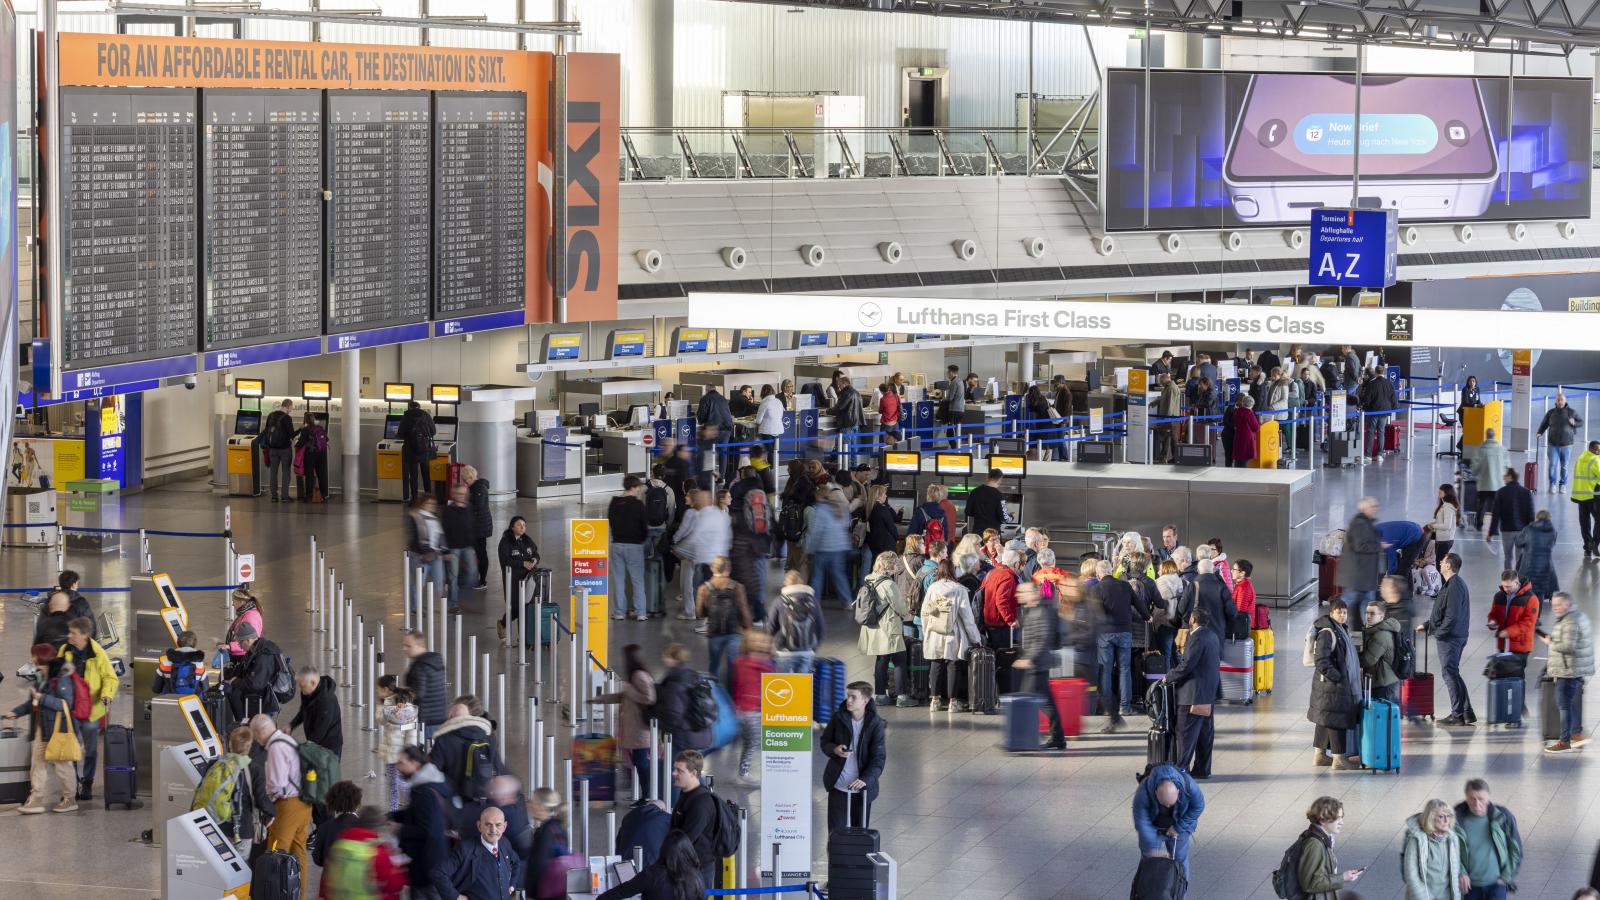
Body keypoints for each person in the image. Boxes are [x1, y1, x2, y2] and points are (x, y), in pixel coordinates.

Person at [3, 645, 80, 814]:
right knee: (37, 764)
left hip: (58, 730)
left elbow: (65, 704)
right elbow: (33, 702)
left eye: (35, 659)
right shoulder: (40, 676)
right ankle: (36, 799)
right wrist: (16, 712)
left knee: (62, 765)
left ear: (44, 660)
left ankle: (70, 799)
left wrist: (42, 698)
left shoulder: (62, 678)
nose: (33, 662)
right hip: (42, 728)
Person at [589, 644, 658, 799]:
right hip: (634, 728)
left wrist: (629, 689)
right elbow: (625, 696)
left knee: (641, 763)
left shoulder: (639, 676)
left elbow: (650, 698)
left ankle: (647, 796)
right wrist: (601, 699)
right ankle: (641, 793)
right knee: (636, 762)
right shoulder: (636, 675)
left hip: (639, 729)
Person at [255, 714, 314, 898]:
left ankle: (275, 895)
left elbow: (277, 783)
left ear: (260, 731)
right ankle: (298, 895)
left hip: (287, 806)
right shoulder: (286, 739)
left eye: (255, 734)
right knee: (298, 854)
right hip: (304, 803)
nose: (256, 739)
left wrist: (267, 801)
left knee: (275, 855)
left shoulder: (275, 747)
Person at [57, 617, 115, 800]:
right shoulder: (64, 650)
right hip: (70, 708)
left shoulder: (98, 653)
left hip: (91, 710)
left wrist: (107, 694)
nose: (69, 636)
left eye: (73, 633)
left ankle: (87, 783)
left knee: (90, 750)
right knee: (70, 749)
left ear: (84, 635)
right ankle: (71, 786)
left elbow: (110, 678)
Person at [391, 744, 457, 899]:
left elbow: (428, 830)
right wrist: (395, 815)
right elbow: (421, 814)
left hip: (427, 865)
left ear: (415, 764)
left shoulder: (424, 792)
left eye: (402, 763)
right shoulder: (432, 782)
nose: (398, 767)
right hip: (435, 860)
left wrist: (399, 830)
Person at [820, 681, 886, 832]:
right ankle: (835, 857)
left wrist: (865, 780)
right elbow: (825, 742)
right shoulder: (838, 718)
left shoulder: (875, 724)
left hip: (862, 790)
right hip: (838, 785)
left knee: (859, 836)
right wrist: (834, 749)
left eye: (853, 697)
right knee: (835, 835)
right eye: (847, 696)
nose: (848, 700)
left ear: (865, 700)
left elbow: (878, 759)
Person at [922, 556, 983, 714]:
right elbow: (967, 618)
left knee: (936, 665)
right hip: (953, 633)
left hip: (935, 632)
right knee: (953, 666)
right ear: (953, 571)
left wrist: (927, 631)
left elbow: (925, 612)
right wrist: (976, 639)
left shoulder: (932, 588)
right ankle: (952, 703)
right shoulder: (960, 590)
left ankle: (934, 701)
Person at [1420, 553, 1475, 727]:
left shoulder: (1454, 586)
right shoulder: (1451, 585)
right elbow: (1442, 612)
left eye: (1443, 561)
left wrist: (1439, 632)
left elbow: (1451, 617)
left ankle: (1457, 714)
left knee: (1449, 673)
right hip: (1451, 635)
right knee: (1453, 672)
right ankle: (1466, 712)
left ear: (1449, 566)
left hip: (1451, 638)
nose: (1440, 563)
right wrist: (1428, 625)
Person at [1093, 560, 1147, 732]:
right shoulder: (1124, 586)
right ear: (1112, 571)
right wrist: (1147, 617)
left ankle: (1108, 708)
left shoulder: (1097, 589)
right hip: (1125, 632)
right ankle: (1125, 706)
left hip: (1105, 634)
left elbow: (1095, 612)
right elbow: (1139, 604)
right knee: (1125, 669)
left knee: (1106, 669)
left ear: (1099, 574)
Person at [1308, 602, 1363, 770]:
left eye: (1345, 612)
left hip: (1329, 686)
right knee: (1337, 719)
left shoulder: (1340, 629)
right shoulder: (1328, 633)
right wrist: (1338, 677)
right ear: (1331, 613)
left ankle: (1319, 755)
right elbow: (1321, 660)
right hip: (1332, 686)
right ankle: (1339, 758)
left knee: (1325, 719)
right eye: (1339, 612)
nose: (1343, 615)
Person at [1167, 607, 1220, 779]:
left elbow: (1187, 665)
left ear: (1192, 620)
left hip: (1193, 695)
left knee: (1185, 733)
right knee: (1205, 735)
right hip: (1208, 694)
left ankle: (1181, 770)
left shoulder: (1196, 637)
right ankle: (1203, 769)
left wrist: (1169, 677)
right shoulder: (1212, 635)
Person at [1133, 764, 1204, 890]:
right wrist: (1151, 849)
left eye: (1170, 804)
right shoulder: (1143, 791)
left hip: (1179, 825)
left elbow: (1198, 806)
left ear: (1178, 791)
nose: (1167, 806)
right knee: (1149, 861)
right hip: (1154, 827)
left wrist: (1178, 827)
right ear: (1155, 792)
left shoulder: (1189, 786)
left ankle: (1179, 893)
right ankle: (1147, 894)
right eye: (1164, 803)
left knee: (1179, 862)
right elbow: (1142, 822)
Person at [192, 726, 260, 855]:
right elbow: (261, 799)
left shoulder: (214, 763)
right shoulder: (253, 768)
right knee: (240, 868)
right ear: (249, 746)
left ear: (230, 744)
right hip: (240, 830)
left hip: (214, 824)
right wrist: (271, 813)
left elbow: (201, 790)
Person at [1014, 582, 1066, 749]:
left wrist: (1029, 658)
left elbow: (1042, 638)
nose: (1018, 595)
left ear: (1034, 593)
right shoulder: (1032, 610)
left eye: (1022, 592)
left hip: (1038, 663)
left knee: (1029, 702)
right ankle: (1056, 737)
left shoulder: (1042, 611)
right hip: (1037, 663)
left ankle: (1022, 738)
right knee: (1044, 702)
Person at [1541, 591, 1594, 752]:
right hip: (1574, 668)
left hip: (1568, 670)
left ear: (1568, 604)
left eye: (1559, 605)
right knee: (1569, 703)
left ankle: (1565, 741)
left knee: (1563, 704)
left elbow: (1568, 647)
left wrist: (1550, 642)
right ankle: (1577, 734)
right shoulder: (1575, 616)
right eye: (1554, 605)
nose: (1555, 608)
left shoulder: (1570, 621)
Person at [857, 552, 912, 707]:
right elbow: (900, 607)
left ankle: (880, 695)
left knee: (881, 660)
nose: (897, 567)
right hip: (889, 627)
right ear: (890, 565)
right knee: (900, 660)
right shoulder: (888, 584)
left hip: (874, 627)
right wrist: (906, 609)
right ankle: (902, 697)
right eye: (895, 564)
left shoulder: (869, 580)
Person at [1453, 779, 1523, 900]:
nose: (1477, 803)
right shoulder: (1455, 820)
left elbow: (1515, 849)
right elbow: (1451, 851)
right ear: (1466, 798)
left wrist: (1506, 876)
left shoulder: (1502, 817)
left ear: (1488, 798)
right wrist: (1461, 872)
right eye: (1472, 799)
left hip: (1497, 884)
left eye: (1481, 799)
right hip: (1470, 886)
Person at [322, 806, 408, 900]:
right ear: (377, 828)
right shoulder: (377, 852)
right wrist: (399, 866)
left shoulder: (339, 846)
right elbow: (394, 885)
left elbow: (326, 883)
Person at [667, 750, 725, 888]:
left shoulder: (701, 803)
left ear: (693, 773)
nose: (674, 773)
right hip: (687, 865)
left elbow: (686, 839)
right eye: (674, 769)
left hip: (697, 870)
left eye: (679, 770)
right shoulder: (686, 794)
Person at [598, 829, 706, 900]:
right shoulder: (697, 876)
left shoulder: (652, 874)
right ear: (689, 851)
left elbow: (620, 892)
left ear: (664, 850)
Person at [442, 805, 522, 900]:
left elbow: (516, 863)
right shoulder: (465, 849)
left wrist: (511, 886)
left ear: (504, 827)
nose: (493, 830)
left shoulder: (504, 843)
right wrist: (456, 897)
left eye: (498, 825)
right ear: (479, 826)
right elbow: (439, 873)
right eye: (488, 824)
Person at [1293, 796, 1365, 899]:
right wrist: (1343, 877)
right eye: (1337, 818)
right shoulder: (1314, 844)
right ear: (1323, 819)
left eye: (1342, 817)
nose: (1342, 822)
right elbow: (1310, 883)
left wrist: (1344, 877)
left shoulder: (1325, 839)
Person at [697, 556, 753, 684]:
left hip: (714, 632)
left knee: (714, 665)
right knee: (733, 665)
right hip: (734, 631)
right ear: (729, 569)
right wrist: (749, 630)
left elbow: (699, 613)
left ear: (712, 568)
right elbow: (744, 610)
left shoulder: (704, 588)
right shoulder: (738, 587)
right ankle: (730, 693)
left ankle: (712, 692)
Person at [431, 700, 501, 802]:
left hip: (454, 798)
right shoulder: (487, 736)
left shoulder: (444, 740)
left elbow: (434, 770)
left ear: (451, 718)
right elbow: (496, 766)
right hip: (483, 796)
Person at [731, 629, 774, 779]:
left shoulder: (769, 663)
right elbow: (735, 684)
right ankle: (744, 771)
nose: (760, 643)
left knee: (752, 741)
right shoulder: (741, 662)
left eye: (763, 641)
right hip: (747, 709)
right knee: (753, 740)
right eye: (756, 640)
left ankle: (744, 770)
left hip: (761, 708)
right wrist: (736, 704)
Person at [1488, 569, 1540, 693]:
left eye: (1509, 586)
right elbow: (1493, 614)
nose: (1506, 589)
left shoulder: (1531, 599)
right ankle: (1506, 704)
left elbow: (1528, 623)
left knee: (1516, 677)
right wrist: (1492, 622)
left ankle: (1519, 704)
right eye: (1504, 586)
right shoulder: (1499, 596)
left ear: (1517, 583)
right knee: (1502, 677)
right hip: (1503, 645)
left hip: (1520, 647)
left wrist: (1508, 632)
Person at [655, 644, 713, 755]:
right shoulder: (694, 675)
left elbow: (673, 713)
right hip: (699, 732)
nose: (663, 659)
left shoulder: (675, 682)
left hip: (683, 737)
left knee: (677, 768)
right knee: (691, 767)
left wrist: (663, 734)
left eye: (666, 656)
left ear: (675, 659)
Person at [1402, 799, 1464, 900]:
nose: (1446, 820)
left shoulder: (1453, 839)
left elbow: (1454, 872)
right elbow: (1411, 876)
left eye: (1448, 816)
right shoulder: (1416, 840)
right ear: (1430, 818)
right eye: (1441, 816)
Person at [805, 482, 854, 608]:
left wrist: (810, 550)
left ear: (819, 495)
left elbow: (817, 532)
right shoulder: (839, 507)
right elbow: (845, 526)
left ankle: (814, 602)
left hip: (824, 548)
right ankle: (847, 601)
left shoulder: (820, 509)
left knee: (817, 575)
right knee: (839, 575)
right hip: (840, 547)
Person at [980, 548, 1023, 693]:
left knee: (993, 661)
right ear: (1016, 564)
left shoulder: (992, 573)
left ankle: (991, 690)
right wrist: (1010, 620)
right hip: (1000, 625)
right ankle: (1002, 691)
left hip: (988, 623)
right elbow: (1001, 601)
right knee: (1002, 661)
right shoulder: (1008, 577)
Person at [767, 571, 823, 675]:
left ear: (786, 583)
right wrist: (813, 648)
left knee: (784, 685)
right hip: (807, 651)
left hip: (784, 651)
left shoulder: (779, 601)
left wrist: (772, 646)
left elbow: (771, 627)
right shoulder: (812, 601)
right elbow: (820, 627)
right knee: (802, 687)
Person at [610, 475, 650, 621]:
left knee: (619, 580)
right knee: (637, 580)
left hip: (616, 544)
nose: (639, 490)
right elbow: (644, 526)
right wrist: (642, 539)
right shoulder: (638, 505)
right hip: (634, 545)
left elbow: (611, 522)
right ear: (634, 487)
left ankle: (619, 612)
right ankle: (640, 613)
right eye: (638, 487)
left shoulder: (614, 502)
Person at [377, 678, 418, 810]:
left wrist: (409, 751)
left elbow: (411, 731)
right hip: (390, 752)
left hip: (401, 753)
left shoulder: (409, 708)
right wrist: (391, 715)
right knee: (393, 783)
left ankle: (413, 805)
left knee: (401, 783)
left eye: (378, 689)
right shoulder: (387, 703)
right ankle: (393, 810)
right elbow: (381, 721)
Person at [497, 516, 542, 637]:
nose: (522, 527)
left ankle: (525, 636)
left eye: (524, 525)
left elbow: (536, 553)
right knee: (516, 607)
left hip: (529, 579)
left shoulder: (527, 540)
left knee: (528, 605)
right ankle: (503, 623)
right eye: (519, 525)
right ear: (512, 527)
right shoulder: (505, 542)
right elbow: (505, 560)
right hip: (513, 580)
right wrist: (522, 563)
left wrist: (534, 560)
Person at [1341, 497, 1384, 619]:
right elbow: (1360, 546)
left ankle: (1369, 630)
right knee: (1347, 602)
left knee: (1368, 605)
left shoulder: (1366, 523)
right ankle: (1332, 624)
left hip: (1365, 575)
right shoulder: (1359, 524)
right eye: (1373, 506)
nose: (1376, 509)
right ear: (1364, 508)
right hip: (1358, 575)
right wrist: (1378, 545)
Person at [403, 629, 448, 742]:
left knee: (422, 754)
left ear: (419, 645)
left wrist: (400, 694)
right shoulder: (435, 661)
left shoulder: (419, 666)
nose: (404, 649)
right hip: (439, 717)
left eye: (408, 646)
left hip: (425, 720)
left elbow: (418, 693)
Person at [1485, 468, 1535, 569]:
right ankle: (1520, 580)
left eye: (1505, 475)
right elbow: (1531, 514)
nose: (1503, 477)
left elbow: (1496, 514)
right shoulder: (1526, 492)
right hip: (1522, 531)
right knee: (1520, 557)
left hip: (1507, 530)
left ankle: (1508, 579)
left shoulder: (1501, 492)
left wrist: (1491, 533)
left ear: (1510, 477)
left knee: (1508, 557)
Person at [525, 788, 570, 899]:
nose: (529, 806)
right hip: (558, 890)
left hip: (545, 893)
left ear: (541, 806)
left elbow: (538, 865)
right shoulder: (558, 827)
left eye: (532, 802)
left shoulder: (545, 831)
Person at [289, 664, 343, 757]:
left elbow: (320, 730)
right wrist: (291, 725)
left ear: (313, 683)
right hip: (316, 743)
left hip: (329, 747)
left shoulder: (326, 701)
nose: (301, 690)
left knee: (327, 771)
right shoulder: (307, 691)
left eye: (302, 686)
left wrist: (305, 748)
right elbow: (304, 710)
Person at [311, 781, 362, 875]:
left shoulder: (324, 828)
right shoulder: (363, 826)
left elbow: (318, 859)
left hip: (331, 881)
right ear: (357, 804)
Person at [406, 494, 448, 608]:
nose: (431, 506)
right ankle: (415, 607)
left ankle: (439, 606)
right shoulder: (415, 517)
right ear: (422, 504)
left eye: (433, 504)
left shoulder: (434, 519)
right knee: (419, 583)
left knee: (439, 582)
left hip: (435, 555)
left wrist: (444, 550)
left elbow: (440, 536)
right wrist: (426, 551)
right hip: (419, 556)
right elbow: (416, 537)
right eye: (428, 503)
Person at [441, 482, 478, 612]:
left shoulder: (469, 507)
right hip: (453, 548)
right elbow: (444, 531)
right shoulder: (448, 510)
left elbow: (471, 527)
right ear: (454, 495)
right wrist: (445, 551)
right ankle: (453, 604)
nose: (461, 496)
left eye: (463, 494)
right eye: (459, 494)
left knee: (472, 573)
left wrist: (474, 546)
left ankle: (459, 588)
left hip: (468, 546)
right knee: (452, 577)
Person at [1538, 392, 1584, 492]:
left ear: (1565, 400)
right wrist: (1539, 432)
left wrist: (1574, 423)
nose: (1559, 401)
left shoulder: (1572, 412)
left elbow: (1581, 422)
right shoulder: (1551, 413)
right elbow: (1544, 424)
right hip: (1552, 444)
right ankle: (1552, 484)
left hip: (1567, 445)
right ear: (1556, 401)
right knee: (1552, 466)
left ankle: (1563, 484)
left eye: (1561, 400)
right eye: (1558, 400)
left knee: (1564, 467)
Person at [1514, 510, 1559, 608]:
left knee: (1528, 589)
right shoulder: (1553, 531)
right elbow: (1552, 544)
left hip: (1529, 564)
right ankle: (1537, 617)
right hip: (1546, 565)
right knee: (1540, 592)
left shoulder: (1529, 529)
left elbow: (1518, 542)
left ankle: (1528, 613)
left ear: (1537, 518)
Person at [1361, 602, 1403, 706]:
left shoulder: (1381, 635)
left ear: (1381, 616)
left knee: (1384, 719)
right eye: (1367, 613)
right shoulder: (1374, 631)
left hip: (1384, 685)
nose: (1368, 616)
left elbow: (1368, 660)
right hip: (1385, 681)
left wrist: (1351, 658)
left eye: (1372, 613)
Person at [396, 399, 437, 503]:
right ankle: (428, 496)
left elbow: (400, 433)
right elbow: (433, 431)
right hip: (424, 449)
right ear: (419, 406)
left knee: (413, 475)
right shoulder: (426, 415)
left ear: (409, 407)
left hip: (411, 450)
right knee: (425, 473)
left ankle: (414, 498)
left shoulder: (406, 416)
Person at [218, 587, 264, 678]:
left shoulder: (251, 617)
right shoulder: (246, 613)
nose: (232, 604)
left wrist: (230, 646)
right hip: (239, 654)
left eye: (234, 601)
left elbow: (251, 641)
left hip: (242, 656)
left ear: (241, 602)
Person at [1471, 430, 1511, 531]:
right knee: (1497, 506)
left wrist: (1475, 474)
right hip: (1498, 484)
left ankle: (1479, 525)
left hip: (1484, 484)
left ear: (1486, 436)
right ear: (1495, 436)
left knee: (1482, 505)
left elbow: (1475, 468)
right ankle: (1495, 527)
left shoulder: (1480, 450)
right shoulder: (1502, 450)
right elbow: (1508, 467)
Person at [263, 397, 296, 502]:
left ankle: (274, 496)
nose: (291, 409)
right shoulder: (287, 418)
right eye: (291, 407)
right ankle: (285, 497)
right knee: (286, 472)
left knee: (273, 472)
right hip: (285, 449)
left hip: (272, 449)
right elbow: (291, 434)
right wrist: (301, 428)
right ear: (288, 406)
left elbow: (266, 431)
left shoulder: (271, 415)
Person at [863, 484, 900, 576]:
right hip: (886, 544)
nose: (886, 496)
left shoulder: (870, 508)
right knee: (888, 570)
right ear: (878, 495)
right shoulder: (882, 509)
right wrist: (896, 537)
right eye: (884, 493)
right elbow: (891, 527)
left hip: (874, 544)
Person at [294, 411, 329, 503]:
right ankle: (324, 495)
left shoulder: (306, 430)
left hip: (310, 455)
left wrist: (296, 444)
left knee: (309, 475)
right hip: (321, 454)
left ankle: (309, 496)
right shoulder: (320, 428)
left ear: (306, 421)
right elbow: (326, 439)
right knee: (322, 475)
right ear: (314, 420)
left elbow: (300, 443)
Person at [1576, 441, 1600, 558]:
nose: (1598, 452)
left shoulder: (1581, 458)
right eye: (1596, 450)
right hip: (1593, 496)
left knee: (1585, 523)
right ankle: (1594, 543)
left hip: (1581, 496)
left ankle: (1588, 547)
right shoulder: (1595, 460)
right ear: (1591, 449)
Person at [1228, 393, 1261, 468]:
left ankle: (1237, 474)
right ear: (1251, 404)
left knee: (1239, 458)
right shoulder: (1249, 413)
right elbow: (1256, 428)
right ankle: (1243, 476)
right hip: (1247, 439)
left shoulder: (1238, 411)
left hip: (1238, 437)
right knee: (1245, 459)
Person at [1433, 484, 1463, 562]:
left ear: (1447, 493)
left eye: (1442, 489)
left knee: (1440, 565)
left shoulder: (1447, 507)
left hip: (1444, 540)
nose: (1440, 490)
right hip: (1442, 539)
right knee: (1440, 563)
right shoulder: (1444, 506)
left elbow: (1447, 526)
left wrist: (1432, 526)